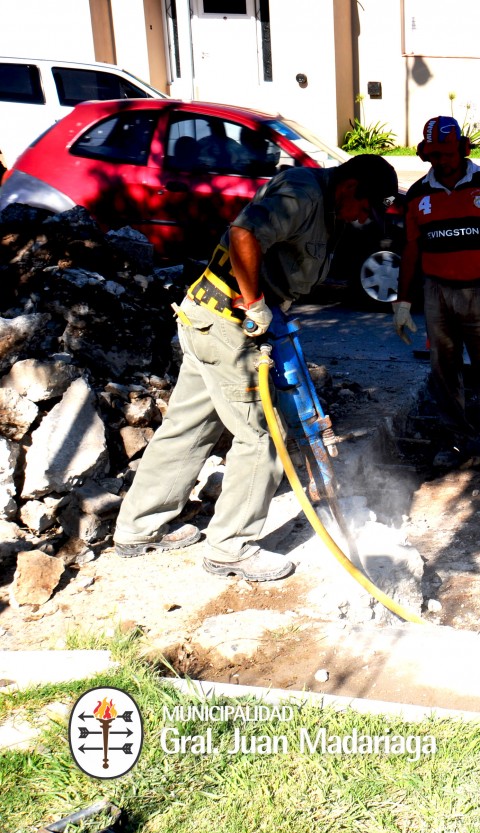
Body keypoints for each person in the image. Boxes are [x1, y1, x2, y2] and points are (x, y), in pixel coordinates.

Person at [112, 154, 399, 581]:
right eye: (364, 207)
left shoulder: (330, 203)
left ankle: (140, 527)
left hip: (209, 319)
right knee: (262, 436)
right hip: (229, 324)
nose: (362, 218)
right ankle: (230, 548)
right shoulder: (304, 193)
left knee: (190, 426)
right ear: (350, 187)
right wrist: (254, 302)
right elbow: (244, 233)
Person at [392, 116, 480, 479]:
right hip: (437, 294)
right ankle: (455, 442)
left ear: (464, 149)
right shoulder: (419, 194)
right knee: (443, 372)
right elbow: (410, 250)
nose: (442, 161)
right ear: (425, 154)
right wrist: (403, 302)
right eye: (434, 154)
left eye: (448, 153)